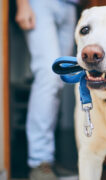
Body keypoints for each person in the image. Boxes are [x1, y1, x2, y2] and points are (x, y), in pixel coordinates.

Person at [15, 0, 78, 179]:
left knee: (59, 79)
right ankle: (39, 161)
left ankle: (48, 160)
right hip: (40, 3)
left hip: (71, 6)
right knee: (48, 77)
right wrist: (22, 4)